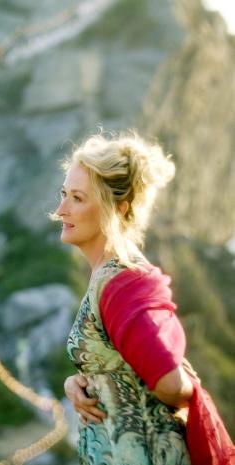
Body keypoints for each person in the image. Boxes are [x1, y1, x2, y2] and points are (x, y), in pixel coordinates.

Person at [55, 131, 234, 464]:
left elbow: (170, 383)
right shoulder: (109, 276)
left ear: (117, 209)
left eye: (77, 198)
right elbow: (125, 366)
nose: (61, 209)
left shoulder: (122, 282)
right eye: (64, 194)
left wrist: (185, 384)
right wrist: (84, 383)